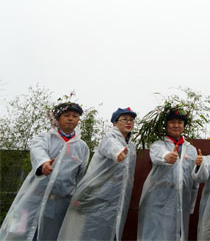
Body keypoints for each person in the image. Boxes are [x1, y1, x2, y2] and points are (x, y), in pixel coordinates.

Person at [0, 103, 89, 241]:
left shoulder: (82, 147)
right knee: (21, 233)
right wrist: (43, 164)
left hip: (60, 204)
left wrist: (77, 197)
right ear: (58, 119)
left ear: (78, 120)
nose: (71, 118)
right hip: (35, 199)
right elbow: (37, 150)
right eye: (66, 115)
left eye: (75, 116)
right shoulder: (45, 138)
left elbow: (79, 176)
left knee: (51, 235)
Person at [58, 107, 138, 241]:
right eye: (124, 119)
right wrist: (117, 153)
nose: (128, 122)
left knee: (109, 232)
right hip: (96, 196)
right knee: (90, 232)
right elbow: (112, 146)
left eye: (131, 120)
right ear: (114, 122)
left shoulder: (131, 146)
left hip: (115, 200)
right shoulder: (110, 137)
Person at [138, 109, 198, 241]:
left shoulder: (192, 150)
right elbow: (158, 155)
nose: (176, 125)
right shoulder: (159, 145)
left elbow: (194, 181)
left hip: (182, 202)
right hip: (159, 200)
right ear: (166, 125)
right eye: (172, 122)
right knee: (156, 234)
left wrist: (191, 205)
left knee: (178, 234)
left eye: (180, 122)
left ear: (184, 125)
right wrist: (167, 157)